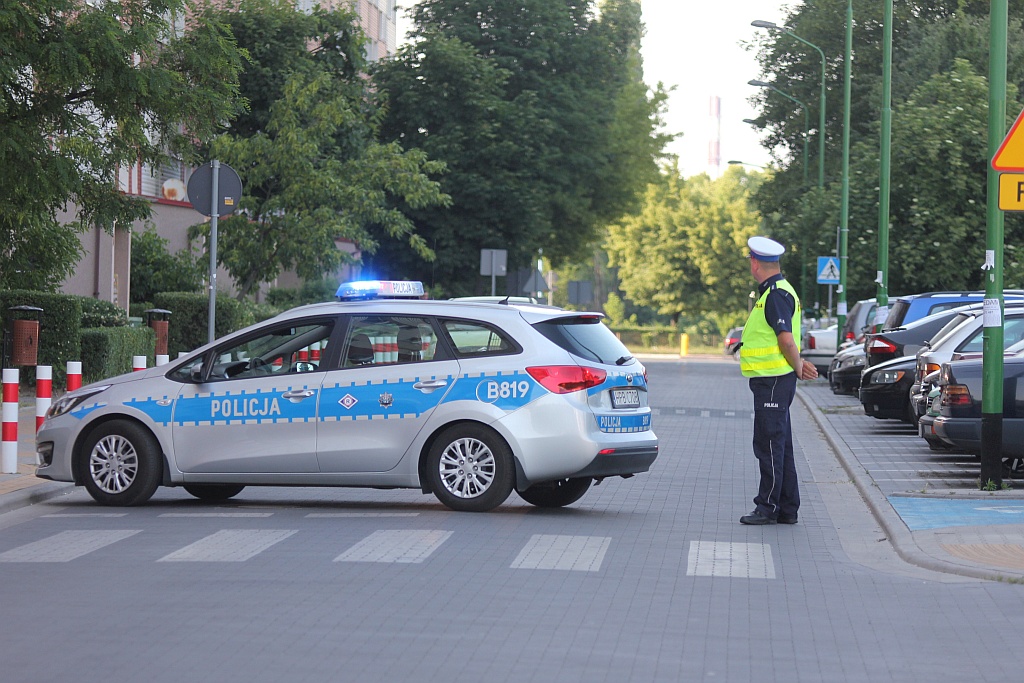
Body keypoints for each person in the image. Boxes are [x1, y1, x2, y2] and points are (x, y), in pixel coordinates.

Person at [738, 236, 818, 525]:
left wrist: (798, 366)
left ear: (755, 263)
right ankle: (787, 507)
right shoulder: (778, 291)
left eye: (750, 260)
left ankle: (767, 507)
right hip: (773, 380)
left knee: (769, 443)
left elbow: (785, 339)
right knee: (780, 445)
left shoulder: (775, 294)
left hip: (773, 379)